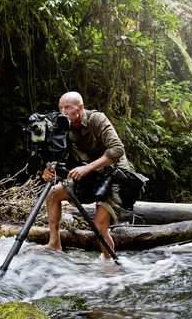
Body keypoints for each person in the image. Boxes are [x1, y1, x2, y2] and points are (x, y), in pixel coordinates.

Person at [40, 91, 129, 259]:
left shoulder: (97, 119)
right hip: (91, 175)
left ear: (80, 108)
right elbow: (57, 154)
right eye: (60, 108)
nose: (63, 113)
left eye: (68, 108)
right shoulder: (62, 126)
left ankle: (110, 266)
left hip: (115, 175)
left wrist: (87, 168)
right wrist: (49, 168)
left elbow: (118, 148)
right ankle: (54, 243)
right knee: (52, 194)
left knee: (99, 227)